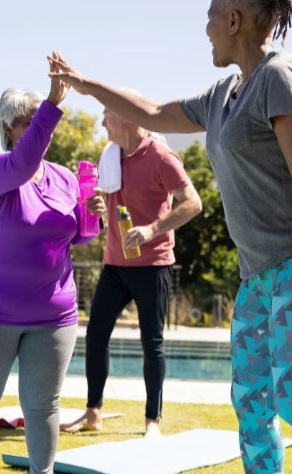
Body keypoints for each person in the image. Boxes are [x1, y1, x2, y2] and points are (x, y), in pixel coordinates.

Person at [49, 1, 292, 474]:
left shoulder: (281, 76)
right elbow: (153, 112)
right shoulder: (223, 94)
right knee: (251, 398)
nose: (206, 28)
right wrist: (83, 84)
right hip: (261, 270)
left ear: (234, 20)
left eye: (211, 15)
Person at [0, 52, 105, 474]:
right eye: (28, 121)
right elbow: (24, 162)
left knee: (43, 405)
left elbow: (77, 235)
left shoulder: (65, 177)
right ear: (9, 129)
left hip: (54, 314)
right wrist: (52, 103)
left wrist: (92, 217)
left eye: (41, 120)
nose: (39, 128)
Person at [60, 107, 202, 437]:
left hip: (153, 265)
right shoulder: (110, 156)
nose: (101, 122)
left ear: (125, 118)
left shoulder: (162, 157)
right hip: (115, 263)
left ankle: (153, 421)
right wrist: (97, 206)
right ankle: (93, 412)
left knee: (151, 342)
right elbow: (107, 202)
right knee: (96, 335)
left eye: (106, 115)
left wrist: (152, 229)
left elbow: (192, 203)